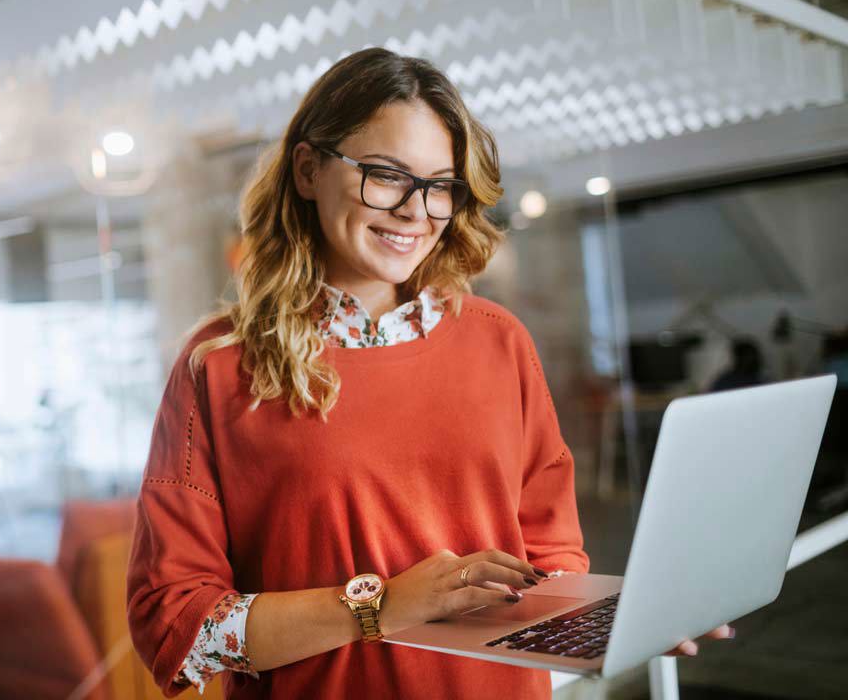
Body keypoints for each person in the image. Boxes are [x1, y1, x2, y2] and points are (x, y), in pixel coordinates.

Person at [126, 48, 731, 699]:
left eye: (440, 185)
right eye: (387, 176)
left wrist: (609, 620)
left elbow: (547, 562)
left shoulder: (500, 341)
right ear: (307, 170)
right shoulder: (218, 365)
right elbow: (175, 621)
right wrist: (380, 607)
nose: (418, 211)